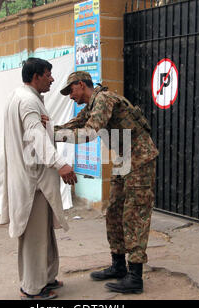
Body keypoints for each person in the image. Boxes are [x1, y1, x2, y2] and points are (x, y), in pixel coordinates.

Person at [53, 71, 159, 294]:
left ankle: (135, 276)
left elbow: (89, 133)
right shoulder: (93, 105)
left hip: (140, 156)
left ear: (81, 85)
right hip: (124, 158)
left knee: (134, 213)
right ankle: (119, 265)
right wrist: (49, 131)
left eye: (70, 90)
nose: (70, 96)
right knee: (114, 211)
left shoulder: (103, 99)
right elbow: (75, 124)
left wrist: (56, 136)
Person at [0, 57, 77, 300]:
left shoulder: (23, 97)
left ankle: (46, 278)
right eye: (48, 74)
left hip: (34, 180)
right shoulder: (27, 102)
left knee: (43, 233)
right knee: (34, 237)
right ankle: (31, 289)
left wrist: (50, 127)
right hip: (33, 182)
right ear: (36, 77)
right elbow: (35, 136)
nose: (52, 79)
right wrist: (61, 164)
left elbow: (37, 131)